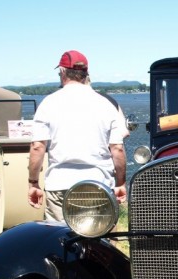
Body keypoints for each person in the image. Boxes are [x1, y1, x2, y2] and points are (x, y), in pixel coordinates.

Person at [28, 50, 126, 221]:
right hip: (98, 183)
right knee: (99, 240)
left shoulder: (48, 103)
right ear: (86, 74)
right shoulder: (105, 104)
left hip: (59, 184)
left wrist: (33, 183)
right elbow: (117, 148)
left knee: (60, 240)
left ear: (63, 72)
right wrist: (120, 183)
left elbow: (37, 147)